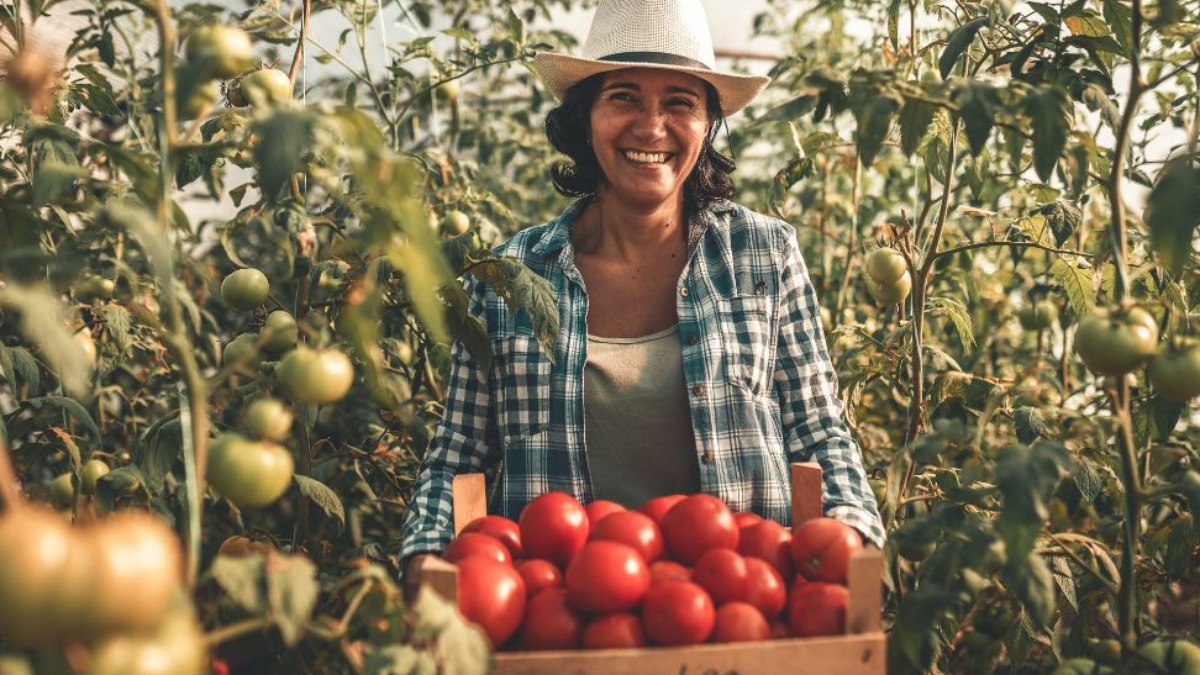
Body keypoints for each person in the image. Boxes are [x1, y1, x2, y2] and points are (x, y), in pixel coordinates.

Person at [399, 0, 883, 577]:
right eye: (623, 96)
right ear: (585, 118)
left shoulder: (763, 255)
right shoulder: (511, 276)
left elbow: (819, 435)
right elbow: (456, 460)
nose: (651, 128)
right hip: (561, 621)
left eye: (679, 101)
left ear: (708, 125)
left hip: (740, 607)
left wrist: (851, 538)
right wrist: (426, 562)